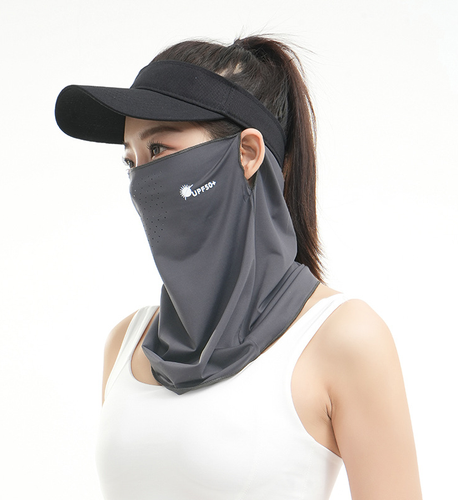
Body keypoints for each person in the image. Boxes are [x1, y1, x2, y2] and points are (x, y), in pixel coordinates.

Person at [55, 36, 422, 500]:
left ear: (246, 153)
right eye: (131, 161)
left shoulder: (342, 337)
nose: (142, 180)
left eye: (159, 150)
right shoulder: (126, 342)